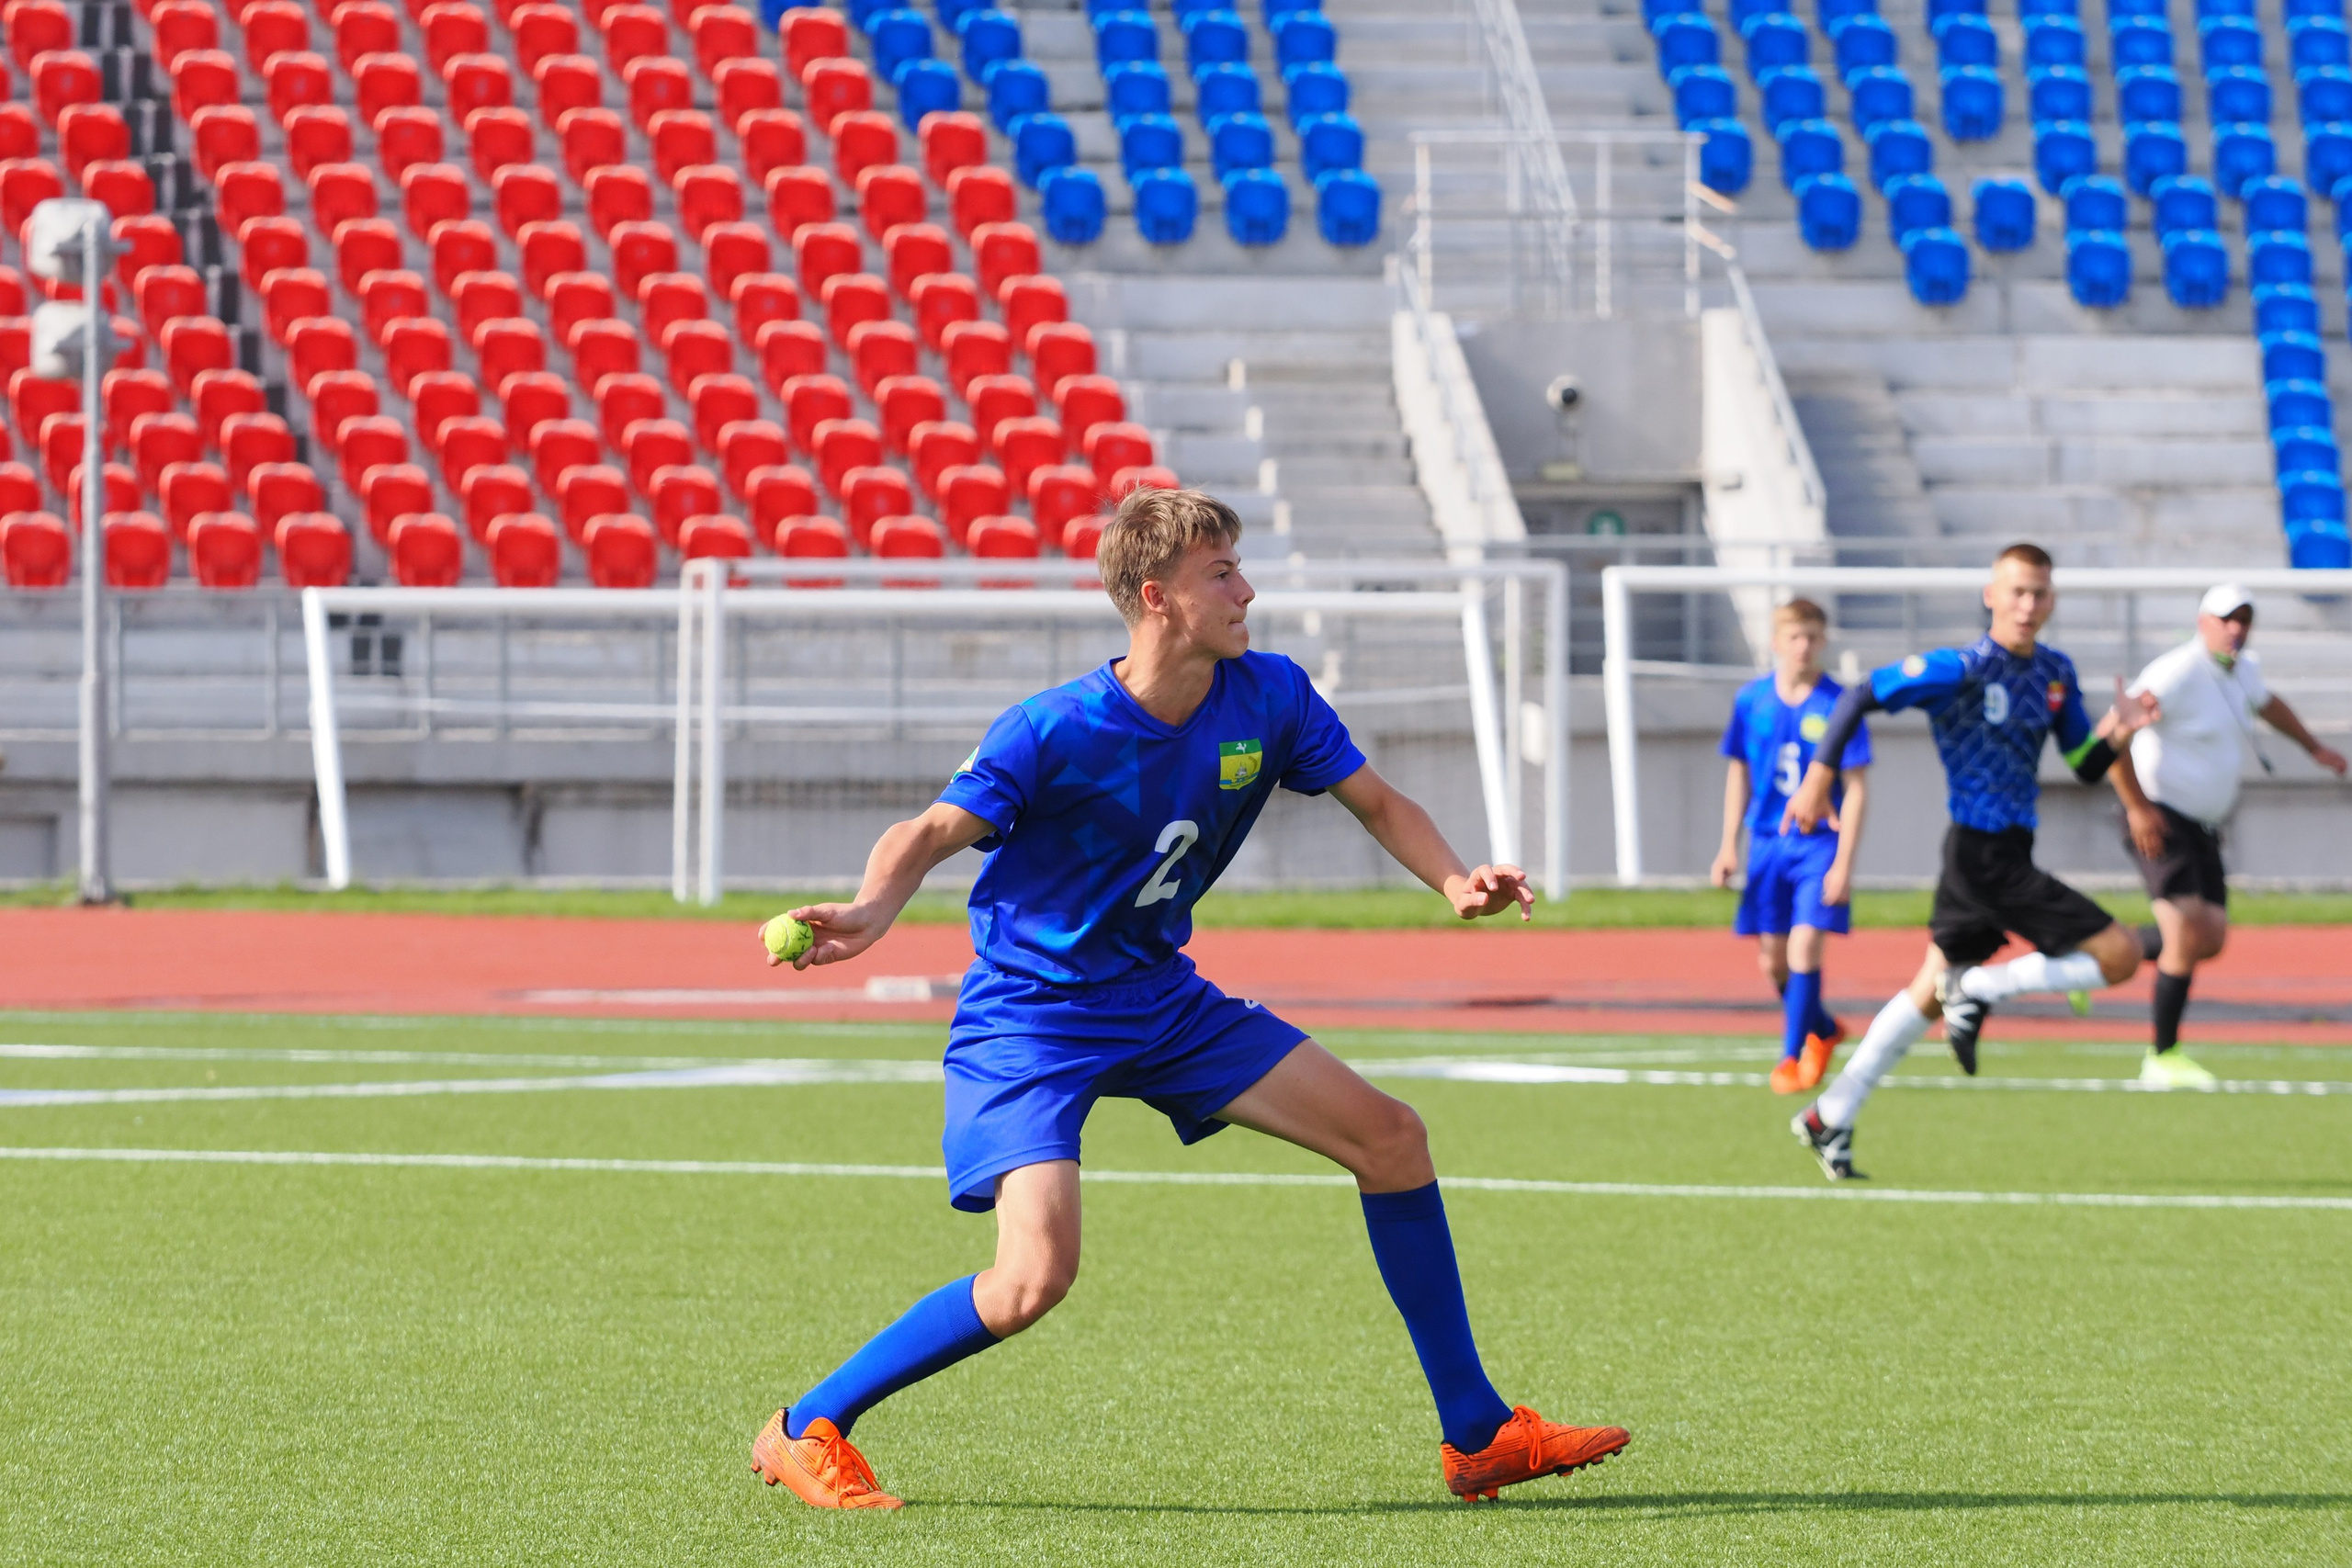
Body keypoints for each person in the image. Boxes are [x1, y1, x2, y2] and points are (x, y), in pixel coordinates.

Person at [746, 489, 1629, 1508]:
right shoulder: (1052, 728)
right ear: (1158, 597)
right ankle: (806, 1425)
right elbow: (930, 832)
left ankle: (1477, 1434)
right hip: (1032, 1018)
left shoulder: (1272, 696)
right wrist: (869, 908)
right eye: (1223, 575)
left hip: (1164, 1000)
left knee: (1392, 1138)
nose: (1246, 590)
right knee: (1031, 1280)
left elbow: (1378, 801)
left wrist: (1453, 880)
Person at [1779, 543, 2161, 1180]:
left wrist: (2120, 732)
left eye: (2039, 592)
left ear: (2052, 600)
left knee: (1924, 993)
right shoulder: (1959, 668)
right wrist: (1820, 776)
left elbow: (2085, 765)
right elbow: (1857, 695)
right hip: (1982, 856)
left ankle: (1830, 1115)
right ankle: (1977, 987)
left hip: (2001, 853)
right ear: (1991, 595)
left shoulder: (2055, 673)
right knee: (2119, 955)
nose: (2028, 604)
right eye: (2016, 591)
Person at [2107, 583, 2347, 1087]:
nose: (2235, 628)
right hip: (2161, 816)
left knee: (2210, 938)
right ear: (2203, 622)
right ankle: (2162, 1056)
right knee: (2186, 928)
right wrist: (2137, 809)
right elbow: (2114, 732)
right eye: (2225, 618)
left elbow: (2268, 703)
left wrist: (2314, 747)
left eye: (2243, 618)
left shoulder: (2242, 670)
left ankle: (2093, 952)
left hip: (2202, 824)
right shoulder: (2176, 672)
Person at [1709, 599, 1871, 1094]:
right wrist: (1727, 846)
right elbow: (1738, 772)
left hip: (1818, 844)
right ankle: (1822, 1028)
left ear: (1823, 642)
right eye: (1794, 637)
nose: (1803, 647)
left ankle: (1790, 1057)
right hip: (1765, 843)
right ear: (1776, 642)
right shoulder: (1751, 700)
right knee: (1773, 961)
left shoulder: (1839, 704)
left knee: (1805, 944)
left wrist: (1844, 861)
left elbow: (1858, 786)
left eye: (1813, 637)